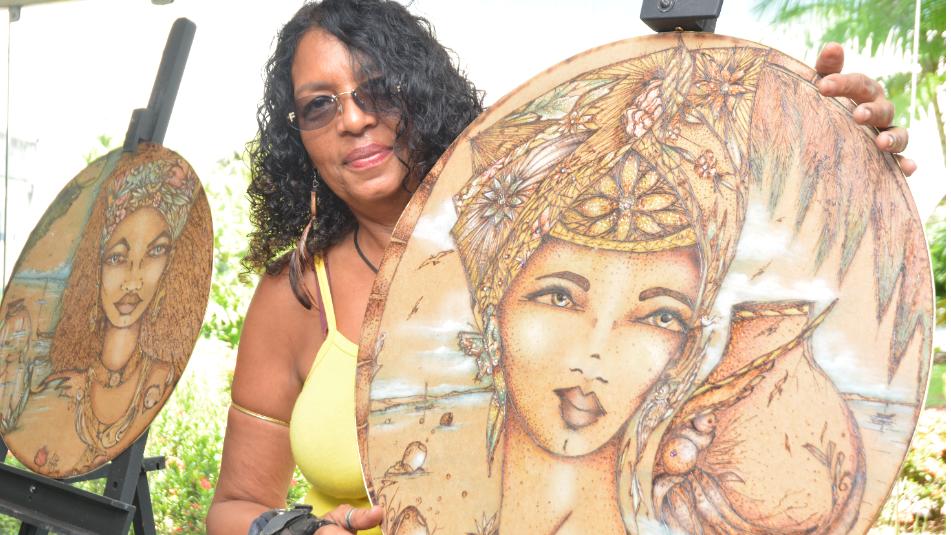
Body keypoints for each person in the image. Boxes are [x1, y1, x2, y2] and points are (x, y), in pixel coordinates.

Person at [206, 1, 914, 534]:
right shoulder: (297, 295)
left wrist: (851, 143)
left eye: (379, 89)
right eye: (319, 105)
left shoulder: (551, 224)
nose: (354, 119)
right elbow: (234, 504)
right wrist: (293, 532)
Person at [1, 144, 209, 478]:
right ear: (94, 268)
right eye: (117, 257)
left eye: (155, 252)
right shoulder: (57, 393)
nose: (133, 281)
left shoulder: (158, 378)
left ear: (172, 265)